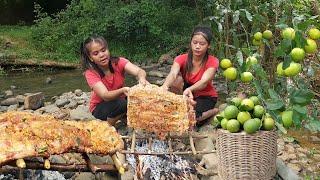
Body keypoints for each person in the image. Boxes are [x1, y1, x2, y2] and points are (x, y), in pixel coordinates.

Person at [80, 35, 148, 125]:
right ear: (90, 58)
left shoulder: (119, 62)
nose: (102, 55)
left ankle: (124, 116)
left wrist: (142, 78)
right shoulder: (91, 73)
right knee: (122, 103)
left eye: (103, 50)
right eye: (96, 53)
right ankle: (109, 125)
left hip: (119, 100)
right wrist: (123, 90)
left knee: (140, 97)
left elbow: (139, 71)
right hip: (100, 107)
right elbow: (105, 95)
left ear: (108, 50)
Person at [161, 26, 219, 126]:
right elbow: (173, 73)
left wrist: (190, 89)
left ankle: (213, 111)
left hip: (205, 96)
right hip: (186, 95)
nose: (197, 46)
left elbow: (204, 82)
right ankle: (181, 103)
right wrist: (164, 87)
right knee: (176, 81)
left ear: (208, 45)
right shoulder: (181, 58)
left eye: (202, 44)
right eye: (195, 42)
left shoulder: (213, 61)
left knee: (191, 118)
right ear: (190, 42)